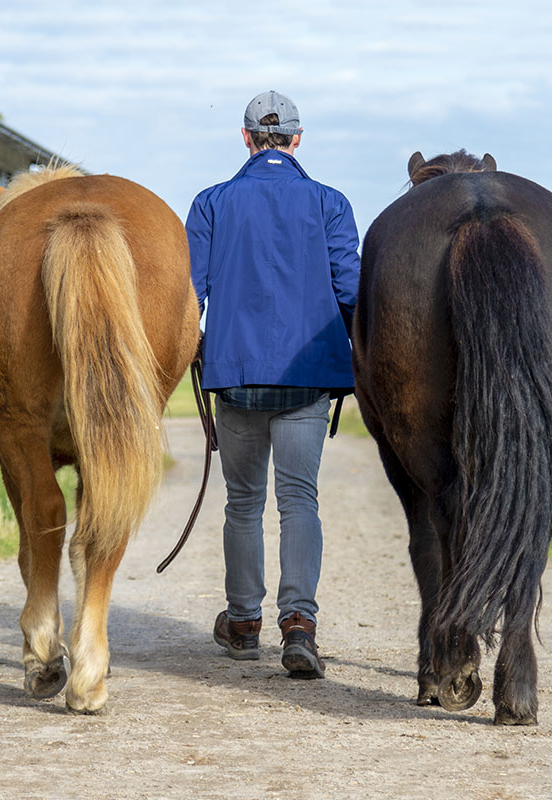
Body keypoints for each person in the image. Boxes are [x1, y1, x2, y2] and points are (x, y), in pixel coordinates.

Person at [186, 90, 360, 678]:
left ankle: (242, 621)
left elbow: (192, 297)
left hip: (236, 379)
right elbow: (351, 292)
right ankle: (299, 624)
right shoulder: (330, 204)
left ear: (245, 139)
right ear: (297, 139)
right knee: (299, 499)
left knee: (243, 502)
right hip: (307, 383)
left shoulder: (211, 204)